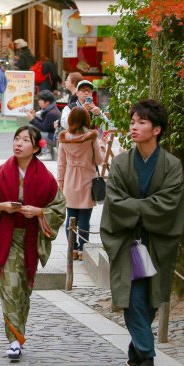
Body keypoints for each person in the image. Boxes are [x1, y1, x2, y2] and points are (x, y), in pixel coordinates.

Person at [100, 100, 184, 366]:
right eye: (133, 122)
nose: (134, 127)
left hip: (158, 241)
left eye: (142, 122)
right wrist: (146, 205)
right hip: (127, 240)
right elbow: (114, 200)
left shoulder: (172, 165)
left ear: (157, 129)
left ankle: (135, 351)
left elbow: (168, 203)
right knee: (133, 297)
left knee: (151, 301)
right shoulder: (121, 163)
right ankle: (147, 357)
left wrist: (134, 205)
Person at [0, 125, 66, 360]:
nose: (18, 143)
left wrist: (39, 212)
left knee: (23, 291)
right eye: (17, 139)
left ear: (36, 148)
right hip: (6, 239)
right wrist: (0, 206)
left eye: (25, 140)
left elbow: (59, 208)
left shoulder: (45, 178)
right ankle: (13, 340)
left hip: (30, 240)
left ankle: (19, 332)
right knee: (9, 288)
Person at [57, 106, 102, 260]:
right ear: (86, 120)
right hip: (87, 178)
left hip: (70, 179)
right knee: (84, 218)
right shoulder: (91, 137)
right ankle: (83, 250)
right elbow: (99, 160)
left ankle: (72, 249)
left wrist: (61, 182)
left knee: (71, 216)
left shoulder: (64, 138)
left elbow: (61, 163)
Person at [26, 90, 61, 157]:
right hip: (52, 135)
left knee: (37, 133)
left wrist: (32, 120)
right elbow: (44, 124)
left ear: (47, 102)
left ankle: (46, 153)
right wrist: (34, 117)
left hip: (55, 138)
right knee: (33, 129)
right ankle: (40, 152)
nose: (39, 102)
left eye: (40, 100)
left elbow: (43, 128)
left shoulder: (52, 113)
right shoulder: (51, 109)